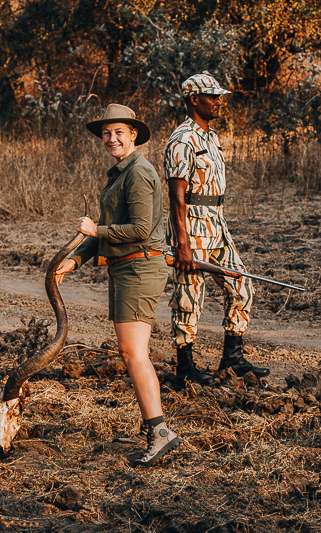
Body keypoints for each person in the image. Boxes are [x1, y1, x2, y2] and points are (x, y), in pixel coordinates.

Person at [55, 104, 180, 467]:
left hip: (140, 269)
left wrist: (94, 230)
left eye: (119, 133)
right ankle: (157, 429)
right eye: (106, 134)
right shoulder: (120, 173)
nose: (111, 139)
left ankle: (159, 432)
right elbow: (110, 229)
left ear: (134, 135)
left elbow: (140, 230)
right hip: (125, 268)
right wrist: (76, 258)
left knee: (133, 353)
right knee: (131, 353)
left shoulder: (139, 172)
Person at [165, 73, 269, 387]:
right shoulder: (182, 139)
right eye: (212, 96)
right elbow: (176, 195)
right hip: (192, 226)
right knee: (189, 297)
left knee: (242, 285)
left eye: (218, 95)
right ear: (194, 99)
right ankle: (185, 367)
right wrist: (182, 243)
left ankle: (232, 358)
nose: (218, 101)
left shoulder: (210, 136)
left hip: (217, 223)